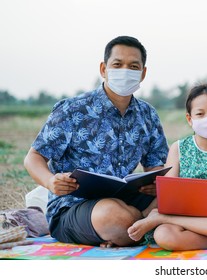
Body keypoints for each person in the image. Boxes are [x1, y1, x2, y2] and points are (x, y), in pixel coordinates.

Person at [23, 36, 169, 247]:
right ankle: (146, 223)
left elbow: (155, 166)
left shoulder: (148, 115)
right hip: (73, 206)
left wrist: (155, 186)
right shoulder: (73, 110)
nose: (125, 70)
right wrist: (49, 181)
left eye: (133, 66)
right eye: (117, 64)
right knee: (114, 216)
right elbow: (33, 157)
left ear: (143, 73)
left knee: (175, 202)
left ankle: (130, 229)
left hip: (126, 199)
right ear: (103, 69)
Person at [127, 84, 207, 250]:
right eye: (200, 114)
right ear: (189, 119)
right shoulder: (178, 148)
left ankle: (164, 220)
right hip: (182, 217)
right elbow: (169, 197)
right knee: (163, 235)